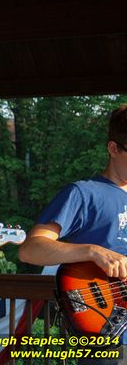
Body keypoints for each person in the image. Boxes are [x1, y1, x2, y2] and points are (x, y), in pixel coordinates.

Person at [19, 105, 127, 364]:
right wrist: (91, 251)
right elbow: (30, 249)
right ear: (114, 149)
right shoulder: (83, 193)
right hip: (104, 330)